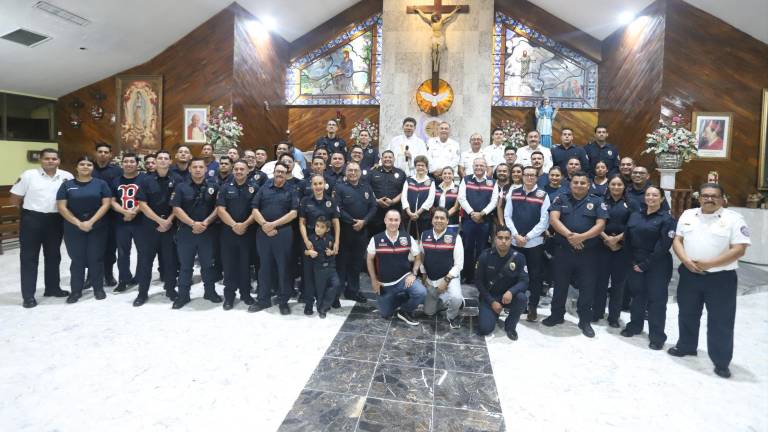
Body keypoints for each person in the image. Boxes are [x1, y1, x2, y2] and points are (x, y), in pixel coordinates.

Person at [668, 183, 750, 378]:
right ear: (699, 197)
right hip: (689, 274)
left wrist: (710, 264)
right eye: (705, 195)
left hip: (721, 279)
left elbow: (739, 249)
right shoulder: (688, 215)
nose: (709, 199)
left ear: (723, 199)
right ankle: (686, 346)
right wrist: (686, 261)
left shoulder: (734, 219)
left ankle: (721, 361)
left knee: (720, 321)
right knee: (687, 313)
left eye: (714, 196)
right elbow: (677, 240)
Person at [543, 171, 608, 338]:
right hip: (563, 251)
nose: (578, 185)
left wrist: (582, 237)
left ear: (588, 185)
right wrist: (570, 237)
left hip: (588, 253)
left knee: (587, 287)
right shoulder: (561, 198)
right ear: (570, 184)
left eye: (582, 183)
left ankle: (584, 320)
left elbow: (600, 225)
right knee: (560, 285)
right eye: (575, 182)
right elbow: (554, 219)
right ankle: (556, 315)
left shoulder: (597, 201)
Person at [11, 148, 73, 307]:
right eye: (47, 158)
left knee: (54, 256)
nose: (50, 161)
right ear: (41, 160)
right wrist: (27, 214)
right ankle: (28, 296)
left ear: (59, 160)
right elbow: (15, 198)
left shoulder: (67, 176)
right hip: (32, 219)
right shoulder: (29, 175)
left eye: (54, 159)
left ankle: (52, 288)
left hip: (55, 220)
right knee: (29, 258)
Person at [621, 186, 676, 350]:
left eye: (655, 195)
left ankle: (657, 336)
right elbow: (627, 239)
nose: (651, 197)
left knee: (656, 301)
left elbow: (664, 245)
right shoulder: (635, 215)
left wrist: (645, 265)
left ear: (661, 199)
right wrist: (632, 261)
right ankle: (635, 326)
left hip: (657, 264)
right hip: (635, 262)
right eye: (648, 195)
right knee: (637, 296)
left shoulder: (667, 219)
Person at [56, 155, 112, 303]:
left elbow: (105, 204)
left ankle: (98, 288)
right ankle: (76, 291)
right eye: (82, 164)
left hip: (97, 226)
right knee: (77, 259)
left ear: (93, 168)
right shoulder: (67, 185)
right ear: (76, 167)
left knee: (96, 258)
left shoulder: (101, 184)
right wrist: (78, 223)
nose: (85, 167)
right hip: (73, 227)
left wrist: (91, 221)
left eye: (89, 164)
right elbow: (61, 206)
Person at [170, 158, 222, 309]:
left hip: (208, 231)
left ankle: (210, 292)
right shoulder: (181, 187)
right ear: (190, 169)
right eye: (195, 167)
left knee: (208, 265)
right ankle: (183, 295)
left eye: (201, 167)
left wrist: (205, 222)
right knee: (186, 266)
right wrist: (193, 224)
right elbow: (176, 209)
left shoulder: (214, 186)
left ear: (206, 169)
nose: (198, 169)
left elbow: (219, 208)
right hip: (186, 232)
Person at [249, 163, 299, 315]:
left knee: (283, 267)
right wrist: (264, 224)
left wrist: (273, 225)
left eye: (283, 172)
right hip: (263, 232)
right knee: (264, 267)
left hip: (283, 233)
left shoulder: (292, 190)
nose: (280, 174)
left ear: (286, 174)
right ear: (274, 172)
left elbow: (293, 213)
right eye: (278, 171)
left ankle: (283, 301)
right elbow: (255, 209)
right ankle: (263, 300)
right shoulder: (264, 188)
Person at [504, 166, 550, 322]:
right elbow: (507, 216)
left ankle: (533, 307)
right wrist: (516, 235)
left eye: (533, 175)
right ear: (522, 176)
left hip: (534, 244)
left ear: (537, 177)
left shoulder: (543, 195)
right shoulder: (514, 192)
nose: (529, 177)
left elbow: (544, 221)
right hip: (515, 242)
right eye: (527, 175)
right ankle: (512, 304)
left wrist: (527, 237)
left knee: (535, 277)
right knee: (512, 274)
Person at [366, 209, 427, 325]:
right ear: (385, 220)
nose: (393, 223)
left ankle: (405, 311)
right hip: (385, 284)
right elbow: (369, 259)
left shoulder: (408, 238)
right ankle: (400, 298)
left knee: (421, 292)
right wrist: (373, 280)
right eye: (390, 220)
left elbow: (418, 257)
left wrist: (414, 273)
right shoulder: (376, 239)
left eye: (396, 220)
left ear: (400, 222)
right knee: (385, 313)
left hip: (404, 279)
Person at [134, 150, 179, 306]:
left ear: (170, 161)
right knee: (146, 262)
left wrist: (168, 221)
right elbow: (142, 204)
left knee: (170, 261)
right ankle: (142, 293)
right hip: (149, 228)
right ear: (156, 161)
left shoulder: (177, 179)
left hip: (170, 227)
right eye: (159, 158)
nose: (162, 161)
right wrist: (159, 220)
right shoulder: (146, 180)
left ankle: (171, 290)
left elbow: (178, 205)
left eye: (166, 158)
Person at [216, 160, 259, 310]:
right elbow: (220, 210)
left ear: (248, 171)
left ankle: (245, 294)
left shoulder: (254, 187)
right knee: (229, 266)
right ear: (233, 171)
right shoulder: (225, 187)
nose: (239, 171)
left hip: (247, 233)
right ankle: (229, 296)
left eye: (242, 169)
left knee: (245, 266)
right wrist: (234, 225)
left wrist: (244, 225)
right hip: (228, 232)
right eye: (237, 169)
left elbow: (256, 210)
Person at [475, 227, 529, 340]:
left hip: (509, 296)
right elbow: (479, 282)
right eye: (500, 238)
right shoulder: (485, 256)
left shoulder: (519, 257)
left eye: (507, 238)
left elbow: (524, 281)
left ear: (511, 240)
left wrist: (511, 292)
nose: (503, 241)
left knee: (522, 298)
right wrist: (492, 301)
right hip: (491, 296)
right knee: (485, 329)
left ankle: (510, 326)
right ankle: (491, 313)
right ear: (495, 239)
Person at [335, 162, 377, 304]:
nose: (353, 172)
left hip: (362, 232)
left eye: (355, 170)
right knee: (342, 263)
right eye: (350, 170)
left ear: (360, 172)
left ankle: (353, 290)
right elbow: (338, 208)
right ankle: (337, 292)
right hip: (345, 231)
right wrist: (353, 222)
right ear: (346, 172)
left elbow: (373, 206)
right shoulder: (340, 187)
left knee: (356, 263)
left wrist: (363, 222)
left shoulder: (366, 187)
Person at [298, 174, 340, 315]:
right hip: (310, 239)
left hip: (326, 240)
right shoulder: (305, 201)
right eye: (315, 184)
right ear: (311, 185)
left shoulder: (331, 201)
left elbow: (336, 222)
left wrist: (337, 241)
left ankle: (324, 302)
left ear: (324, 184)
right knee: (308, 275)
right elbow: (302, 222)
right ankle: (309, 303)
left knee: (325, 275)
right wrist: (306, 241)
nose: (317, 186)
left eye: (320, 183)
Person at [593, 175, 632, 327]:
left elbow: (633, 225)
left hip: (622, 248)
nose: (616, 187)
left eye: (619, 184)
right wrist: (607, 239)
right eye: (613, 184)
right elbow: (596, 222)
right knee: (600, 282)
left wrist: (617, 240)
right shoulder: (601, 202)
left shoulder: (631, 204)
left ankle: (614, 317)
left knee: (618, 284)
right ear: (608, 186)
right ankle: (597, 313)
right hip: (602, 246)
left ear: (624, 187)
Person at [420, 208, 464, 328]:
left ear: (447, 221)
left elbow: (459, 265)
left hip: (450, 277)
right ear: (432, 220)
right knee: (428, 311)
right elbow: (422, 257)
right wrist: (423, 275)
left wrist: (446, 280)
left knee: (456, 297)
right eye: (436, 217)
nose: (439, 220)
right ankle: (445, 301)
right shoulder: (424, 235)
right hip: (431, 278)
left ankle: (452, 315)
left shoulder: (455, 237)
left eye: (442, 218)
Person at [457, 158, 498, 283]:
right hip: (469, 220)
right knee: (467, 248)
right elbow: (461, 198)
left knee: (482, 249)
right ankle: (467, 275)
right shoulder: (466, 179)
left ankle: (480, 276)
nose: (479, 167)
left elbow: (494, 201)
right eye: (476, 165)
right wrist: (472, 213)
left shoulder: (492, 182)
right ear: (473, 167)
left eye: (481, 165)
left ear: (486, 167)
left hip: (484, 221)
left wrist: (482, 213)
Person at [110, 152, 145, 292]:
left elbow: (146, 200)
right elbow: (111, 201)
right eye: (126, 161)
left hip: (141, 221)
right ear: (122, 163)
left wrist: (134, 212)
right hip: (121, 221)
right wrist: (125, 212)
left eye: (132, 161)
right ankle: (124, 279)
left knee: (143, 252)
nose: (129, 164)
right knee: (123, 252)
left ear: (137, 164)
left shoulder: (144, 179)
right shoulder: (115, 180)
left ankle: (140, 277)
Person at [91, 143, 122, 287]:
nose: (103, 154)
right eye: (100, 151)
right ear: (95, 153)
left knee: (110, 247)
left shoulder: (117, 171)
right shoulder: (88, 167)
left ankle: (108, 274)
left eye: (106, 152)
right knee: (91, 246)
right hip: (91, 213)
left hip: (111, 215)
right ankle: (90, 276)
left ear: (110, 154)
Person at [304, 217, 340, 318]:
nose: (318, 229)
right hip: (319, 269)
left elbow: (335, 251)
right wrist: (309, 252)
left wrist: (332, 252)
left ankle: (325, 304)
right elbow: (304, 251)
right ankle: (321, 309)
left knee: (336, 284)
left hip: (331, 267)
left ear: (327, 229)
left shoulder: (330, 238)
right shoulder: (310, 239)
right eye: (317, 226)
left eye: (322, 227)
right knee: (320, 290)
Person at [369, 150, 406, 235]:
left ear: (394, 159)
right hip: (376, 212)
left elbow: (404, 191)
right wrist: (377, 200)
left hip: (395, 211)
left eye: (390, 157)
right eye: (385, 157)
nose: (387, 159)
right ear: (381, 159)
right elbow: (368, 189)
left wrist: (393, 201)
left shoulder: (401, 173)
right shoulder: (373, 172)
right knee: (375, 236)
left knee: (394, 235)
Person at [402, 155, 436, 238]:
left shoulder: (431, 181)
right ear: (415, 167)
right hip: (408, 216)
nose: (420, 167)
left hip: (424, 217)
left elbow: (430, 200)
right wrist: (409, 212)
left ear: (426, 167)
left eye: (422, 165)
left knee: (423, 239)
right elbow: (404, 197)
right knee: (409, 239)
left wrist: (418, 213)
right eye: (418, 165)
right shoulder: (409, 180)